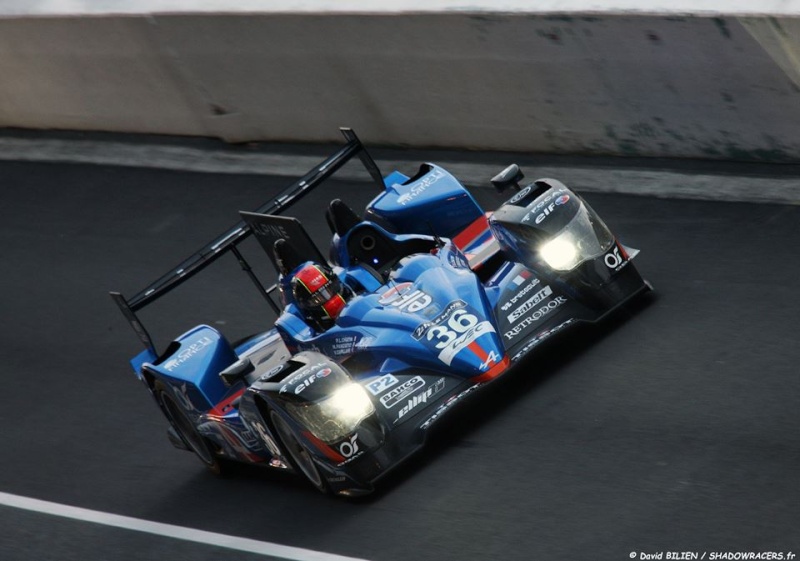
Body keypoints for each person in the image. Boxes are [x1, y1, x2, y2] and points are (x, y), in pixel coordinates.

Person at [290, 261, 349, 332]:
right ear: (307, 305)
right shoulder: (311, 332)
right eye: (317, 299)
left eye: (329, 289)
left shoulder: (352, 288)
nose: (328, 297)